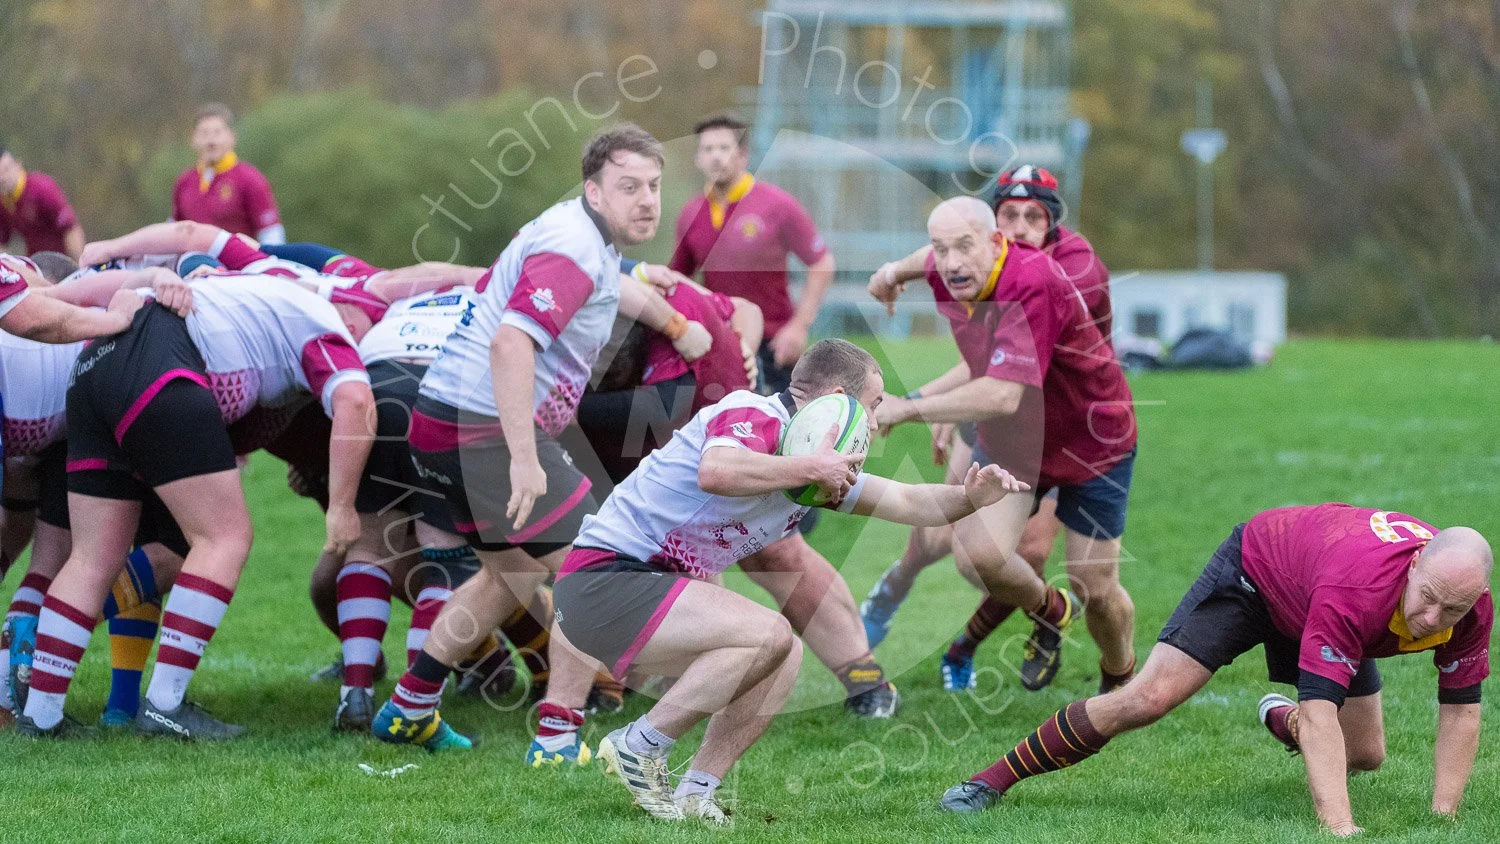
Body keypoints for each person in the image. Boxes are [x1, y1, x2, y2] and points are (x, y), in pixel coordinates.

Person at [555, 339, 1029, 823]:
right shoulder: (755, 412)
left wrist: (972, 496)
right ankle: (640, 745)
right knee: (770, 634)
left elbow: (909, 503)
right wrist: (811, 467)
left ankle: (696, 792)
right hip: (602, 579)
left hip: (638, 595)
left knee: (785, 657)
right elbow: (715, 470)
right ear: (840, 398)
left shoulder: (809, 461)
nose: (874, 421)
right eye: (873, 405)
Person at [373, 124, 667, 763]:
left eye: (653, 185)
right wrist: (526, 458)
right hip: (481, 431)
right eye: (628, 186)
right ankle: (558, 740)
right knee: (597, 570)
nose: (646, 200)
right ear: (593, 189)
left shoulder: (581, 236)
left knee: (511, 572)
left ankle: (408, 709)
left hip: (445, 418)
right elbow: (512, 343)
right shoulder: (575, 247)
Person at [941, 504, 1492, 838]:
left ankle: (1284, 722)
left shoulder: (1466, 605)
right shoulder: (1359, 589)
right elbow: (1323, 708)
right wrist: (1340, 831)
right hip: (1256, 574)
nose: (1431, 619)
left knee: (1366, 754)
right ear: (1416, 563)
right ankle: (987, 782)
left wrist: (1443, 819)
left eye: (1453, 609)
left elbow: (1463, 709)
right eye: (1429, 599)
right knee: (1147, 699)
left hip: (1322, 592)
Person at [18, 268, 376, 739]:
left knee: (91, 558)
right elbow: (355, 400)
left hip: (94, 365)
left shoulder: (253, 292)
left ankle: (41, 716)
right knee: (224, 537)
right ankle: (165, 704)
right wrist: (342, 506)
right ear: (352, 318)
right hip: (161, 358)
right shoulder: (327, 325)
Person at [860, 166, 1124, 693]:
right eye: (1011, 213)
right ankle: (900, 587)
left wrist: (918, 406)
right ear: (997, 222)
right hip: (1012, 423)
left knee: (1066, 572)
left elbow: (1009, 379)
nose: (1023, 225)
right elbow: (937, 257)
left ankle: (1116, 675)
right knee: (949, 544)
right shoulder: (962, 259)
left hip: (1077, 431)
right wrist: (891, 273)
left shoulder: (1064, 272)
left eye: (1035, 216)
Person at [669, 114, 834, 393]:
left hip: (774, 346)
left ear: (743, 155)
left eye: (724, 148)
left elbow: (822, 262)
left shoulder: (776, 204)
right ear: (698, 159)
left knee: (780, 431)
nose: (715, 157)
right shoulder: (690, 214)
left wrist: (798, 326)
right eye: (707, 149)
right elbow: (675, 279)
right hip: (720, 344)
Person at [170, 103, 284, 244]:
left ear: (231, 137)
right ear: (193, 139)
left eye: (217, 133)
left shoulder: (250, 179)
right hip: (193, 263)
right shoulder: (184, 181)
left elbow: (271, 233)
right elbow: (173, 231)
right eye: (204, 133)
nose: (211, 141)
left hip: (237, 264)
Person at [0, 146, 85, 260]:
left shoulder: (41, 189)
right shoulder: (4, 202)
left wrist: (79, 266)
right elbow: (3, 242)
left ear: (18, 164)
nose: (2, 178)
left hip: (62, 261)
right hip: (36, 264)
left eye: (6, 170)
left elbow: (71, 229)